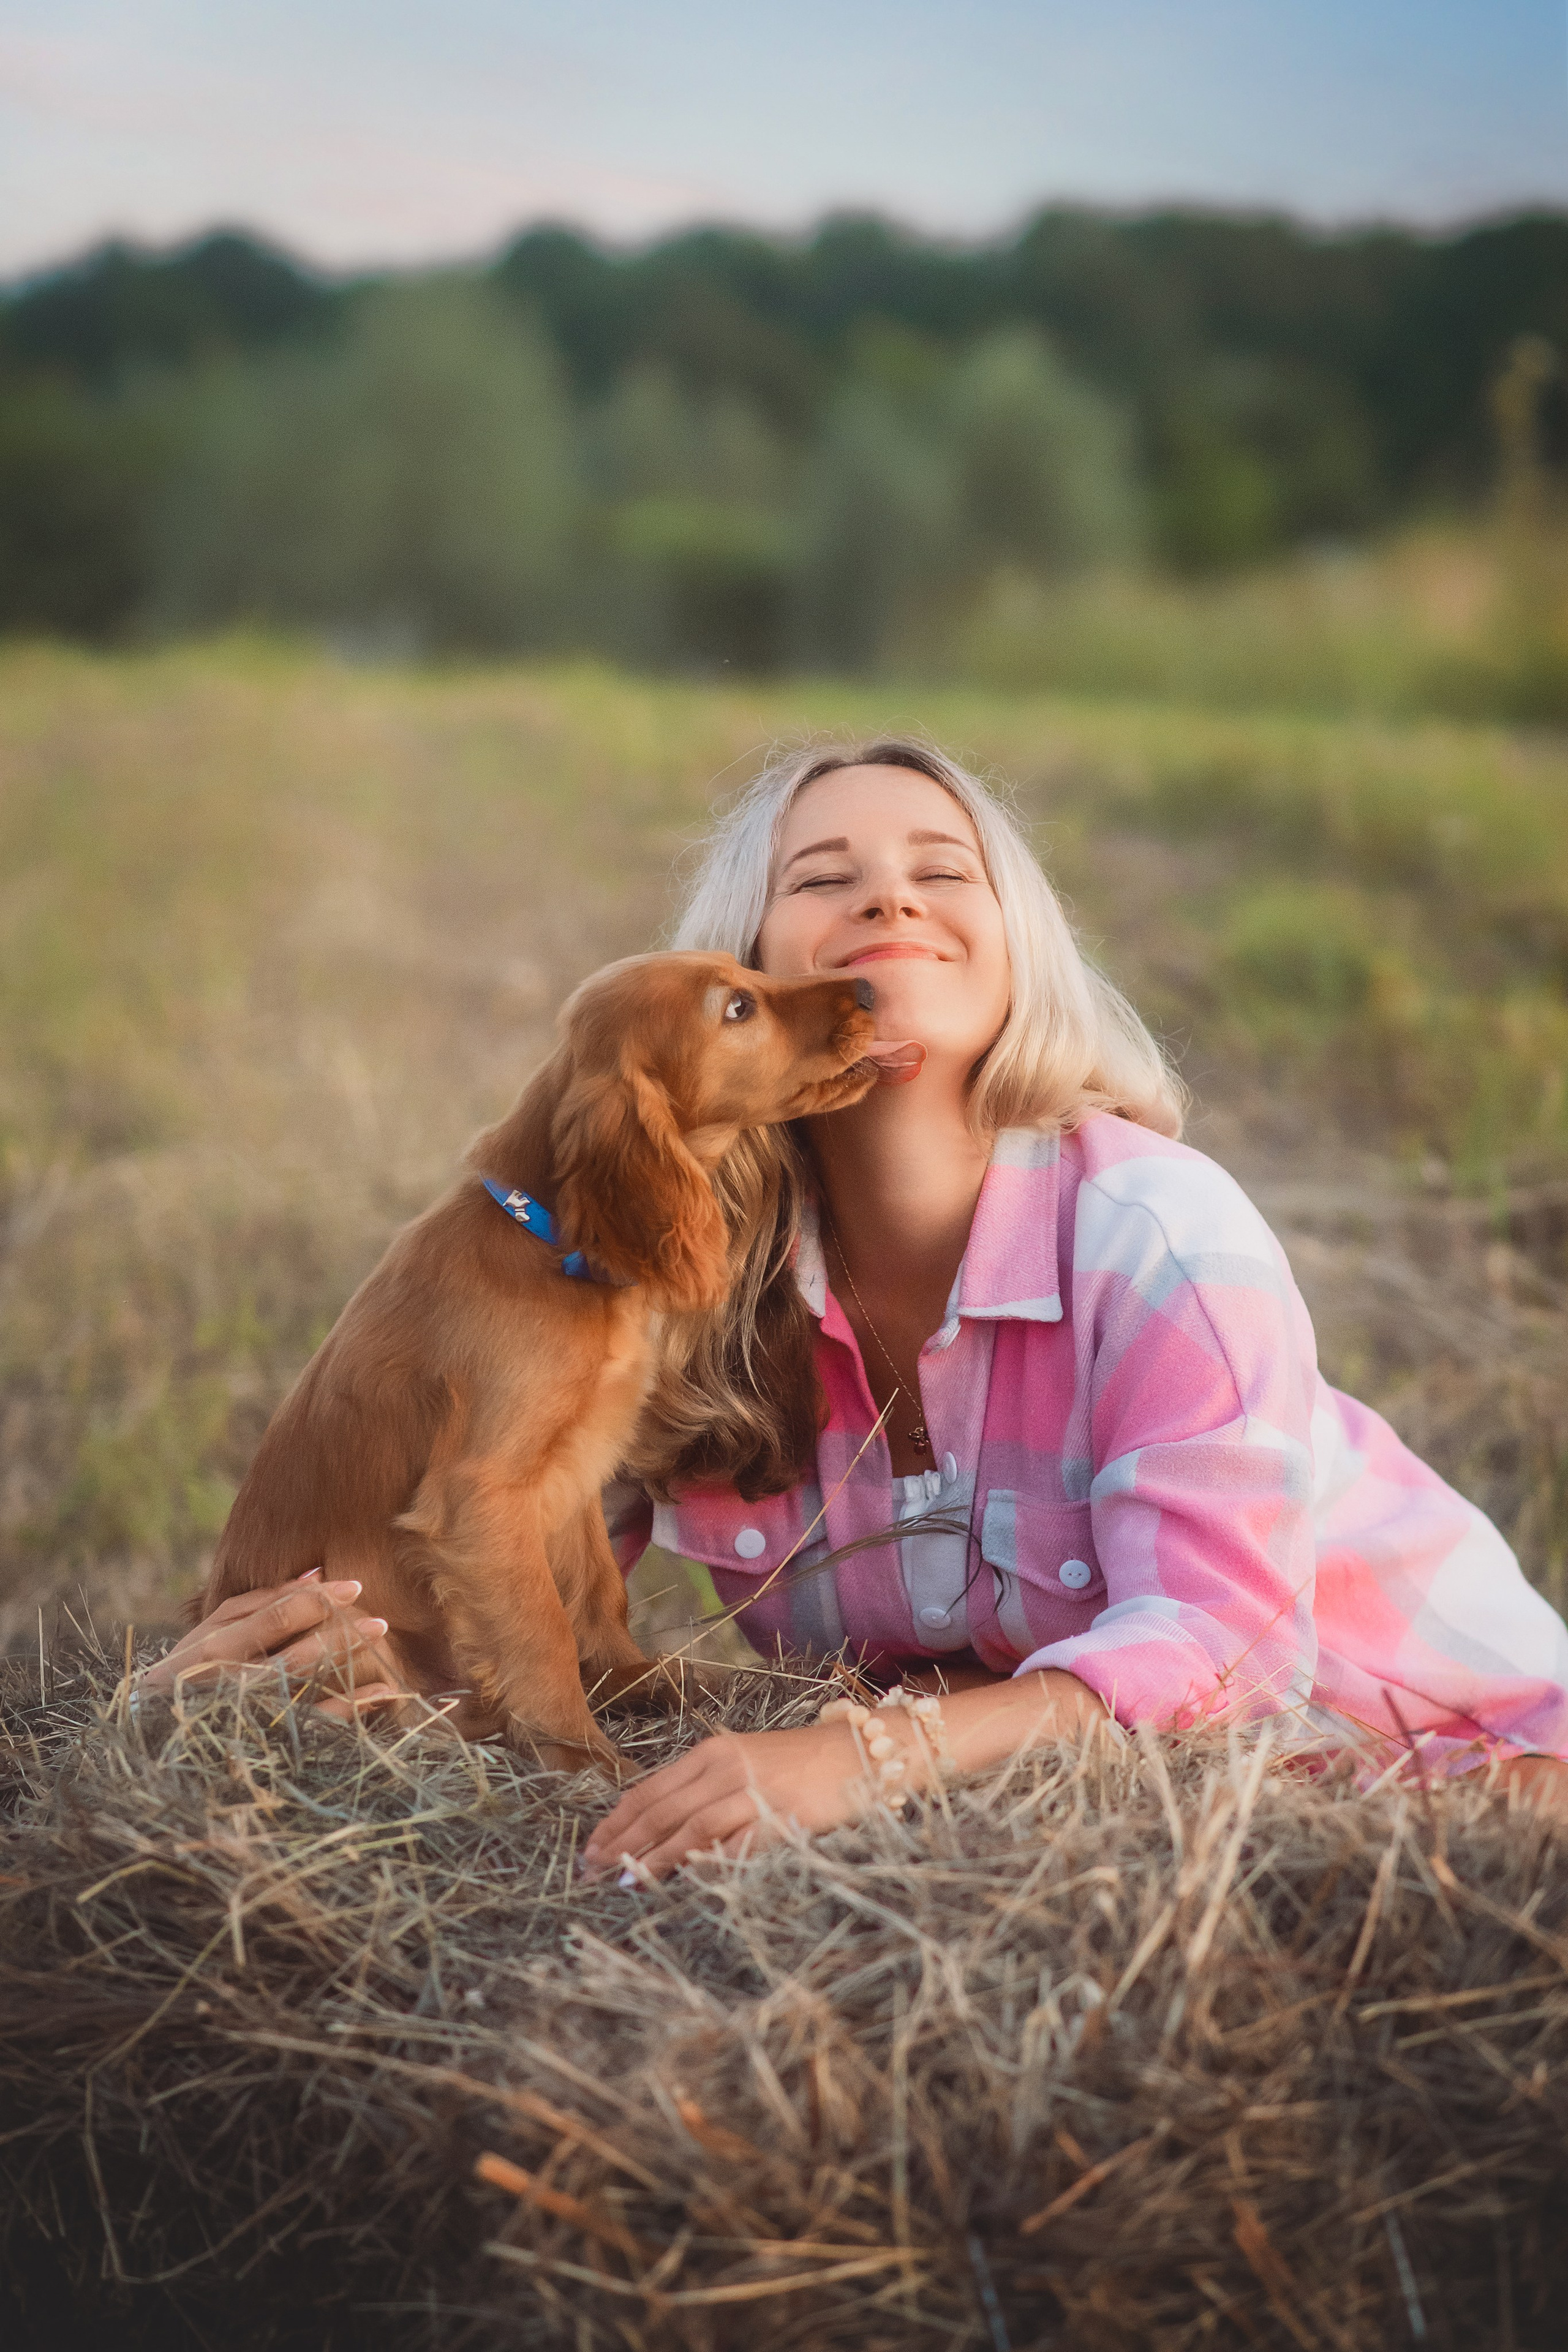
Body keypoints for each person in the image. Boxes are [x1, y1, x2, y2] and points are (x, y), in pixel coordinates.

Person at [152, 738, 1568, 1863]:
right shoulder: (693, 1292)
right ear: (738, 973)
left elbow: (1225, 1656)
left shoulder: (1158, 1234)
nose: (887, 898)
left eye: (942, 871)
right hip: (1094, 1820)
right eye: (823, 876)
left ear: (1018, 949)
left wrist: (866, 1755)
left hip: (1454, 1783)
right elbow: (501, 1532)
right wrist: (270, 1663)